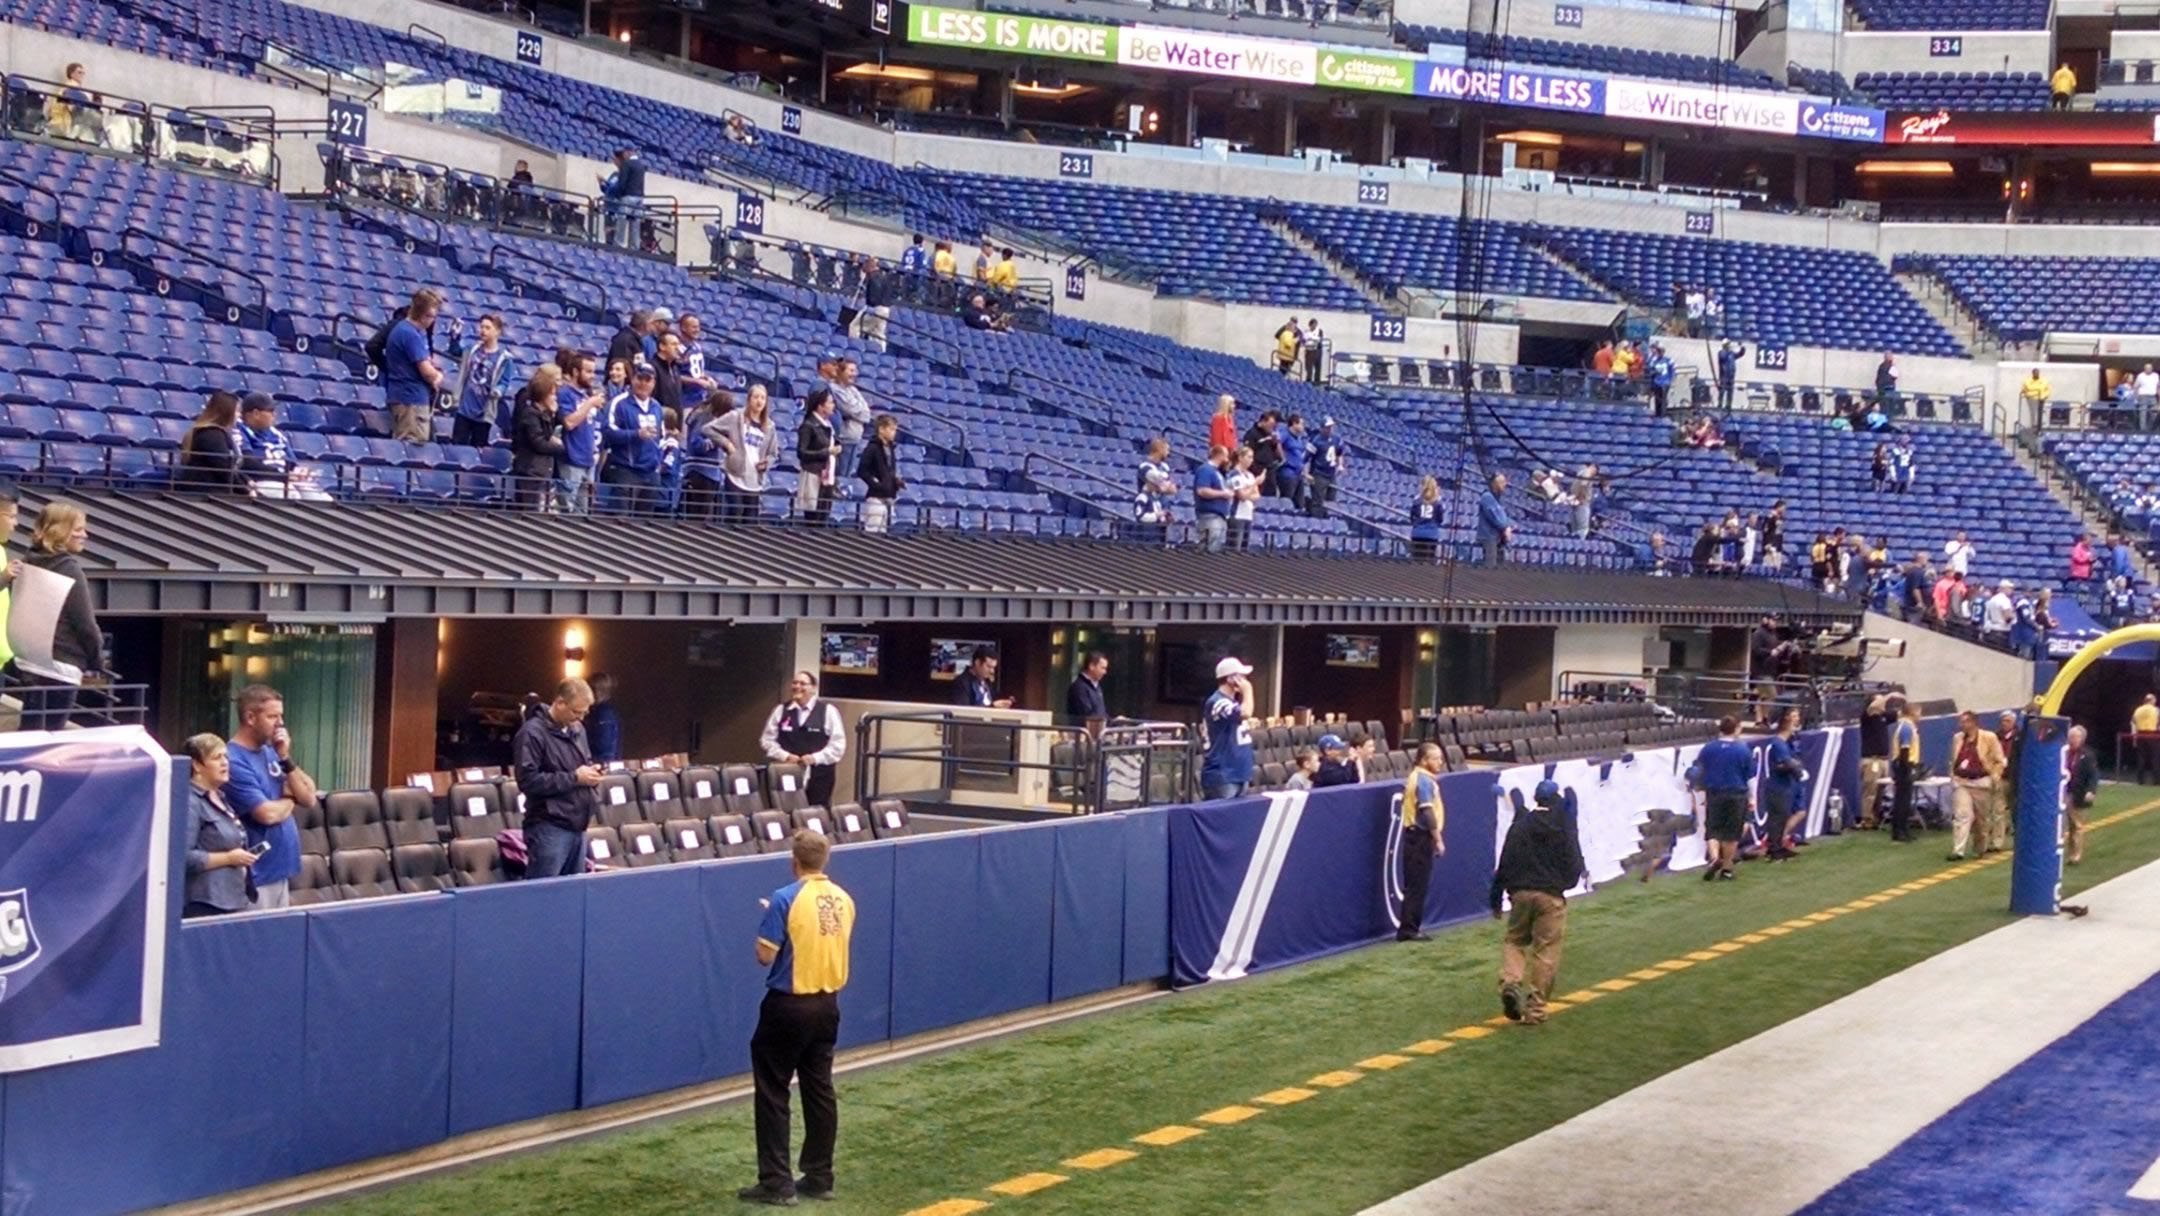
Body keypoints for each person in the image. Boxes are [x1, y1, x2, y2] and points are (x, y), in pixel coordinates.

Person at [742, 831, 854, 1207]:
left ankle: (777, 1181)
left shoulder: (784, 899)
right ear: (825, 860)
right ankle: (820, 1175)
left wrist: (771, 920)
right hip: (828, 1005)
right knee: (819, 1088)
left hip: (789, 1007)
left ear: (794, 861)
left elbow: (764, 955)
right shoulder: (843, 900)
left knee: (774, 1091)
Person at [1491, 778, 1586, 1025]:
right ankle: (1535, 1010)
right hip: (1551, 896)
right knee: (1545, 953)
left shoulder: (1520, 825)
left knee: (1514, 941)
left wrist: (1497, 897)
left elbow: (1504, 862)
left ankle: (1511, 982)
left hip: (1521, 894)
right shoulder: (1563, 826)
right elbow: (1574, 861)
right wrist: (1565, 884)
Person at [223, 684, 317, 909]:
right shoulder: (233, 759)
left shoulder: (272, 752)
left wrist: (285, 757)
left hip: (281, 869)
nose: (280, 724)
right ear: (250, 717)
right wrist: (289, 799)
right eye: (272, 716)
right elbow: (266, 814)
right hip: (257, 876)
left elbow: (309, 796)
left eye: (281, 716)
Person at [22, 500, 104, 723]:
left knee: (30, 733)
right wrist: (98, 661)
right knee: (50, 740)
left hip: (31, 662)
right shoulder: (70, 568)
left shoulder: (28, 560)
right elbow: (86, 624)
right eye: (78, 529)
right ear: (61, 531)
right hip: (61, 668)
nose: (85, 535)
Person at [515, 678, 602, 880]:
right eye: (575, 712)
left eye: (584, 713)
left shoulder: (578, 730)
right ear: (560, 702)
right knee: (543, 897)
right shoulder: (531, 733)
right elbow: (528, 781)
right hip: (548, 827)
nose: (579, 718)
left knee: (573, 898)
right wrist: (574, 778)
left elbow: (584, 764)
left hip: (578, 825)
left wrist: (592, 775)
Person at [182, 733, 256, 918]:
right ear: (197, 765)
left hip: (236, 898)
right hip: (207, 905)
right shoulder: (190, 802)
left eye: (226, 757)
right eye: (217, 758)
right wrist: (229, 858)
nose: (225, 763)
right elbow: (184, 858)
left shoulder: (221, 798)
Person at [760, 672, 847, 809]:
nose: (797, 686)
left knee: (816, 814)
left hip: (819, 775)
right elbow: (767, 740)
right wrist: (785, 756)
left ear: (813, 688)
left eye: (802, 683)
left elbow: (838, 745)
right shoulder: (781, 710)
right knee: (787, 812)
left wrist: (815, 758)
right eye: (795, 683)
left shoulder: (828, 711)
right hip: (787, 773)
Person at [1396, 742, 1447, 943]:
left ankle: (1410, 927)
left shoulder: (1420, 778)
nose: (1440, 762)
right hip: (1419, 837)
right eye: (1436, 758)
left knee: (1416, 884)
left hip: (1415, 836)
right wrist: (1438, 839)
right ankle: (1409, 929)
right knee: (1417, 885)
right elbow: (1427, 812)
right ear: (1424, 760)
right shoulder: (1423, 781)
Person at [384, 288, 446, 443]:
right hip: (410, 401)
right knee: (412, 446)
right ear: (423, 314)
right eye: (431, 316)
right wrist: (438, 376)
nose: (433, 320)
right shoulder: (409, 334)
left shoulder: (413, 332)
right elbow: (427, 371)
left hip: (407, 397)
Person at [445, 313, 515, 447]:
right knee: (457, 447)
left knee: (478, 449)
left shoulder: (504, 359)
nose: (483, 330)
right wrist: (455, 335)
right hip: (464, 410)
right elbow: (454, 351)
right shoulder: (472, 350)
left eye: (488, 328)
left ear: (497, 332)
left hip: (484, 413)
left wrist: (499, 391)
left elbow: (504, 382)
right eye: (482, 327)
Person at [1695, 716, 1751, 880]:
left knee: (1713, 830)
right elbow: (1750, 777)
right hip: (1736, 794)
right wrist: (1753, 798)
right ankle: (1727, 869)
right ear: (1737, 729)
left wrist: (1703, 790)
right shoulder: (1743, 750)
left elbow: (1699, 770)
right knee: (1732, 834)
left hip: (1715, 793)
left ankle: (1714, 858)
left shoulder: (1708, 748)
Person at [1946, 710, 2006, 862]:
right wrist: (1953, 776)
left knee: (1981, 820)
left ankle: (1980, 847)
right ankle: (1958, 850)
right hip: (1962, 782)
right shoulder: (1957, 738)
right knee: (1962, 815)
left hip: (1982, 782)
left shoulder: (1989, 737)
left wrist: (1995, 776)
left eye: (1965, 721)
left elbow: (1999, 760)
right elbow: (1953, 759)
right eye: (1961, 721)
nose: (1962, 725)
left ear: (1973, 722)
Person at [553, 349, 604, 513]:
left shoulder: (586, 395)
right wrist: (589, 403)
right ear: (576, 372)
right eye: (588, 371)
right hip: (570, 460)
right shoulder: (565, 394)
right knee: (566, 511)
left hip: (588, 460)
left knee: (582, 514)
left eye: (594, 372)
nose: (592, 376)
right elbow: (569, 422)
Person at [1200, 658, 1257, 800]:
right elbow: (1246, 713)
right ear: (1231, 678)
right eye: (1242, 676)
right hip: (1223, 775)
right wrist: (1248, 690)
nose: (1245, 680)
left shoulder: (1231, 702)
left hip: (1239, 773)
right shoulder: (1218, 702)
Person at [510, 365, 566, 510]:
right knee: (529, 513)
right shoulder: (530, 414)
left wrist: (552, 415)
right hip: (530, 472)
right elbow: (540, 443)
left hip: (542, 472)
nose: (555, 398)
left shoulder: (546, 415)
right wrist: (559, 447)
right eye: (552, 394)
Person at [1762, 707, 1807, 860]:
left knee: (1782, 817)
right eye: (1793, 716)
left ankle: (1779, 845)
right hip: (1777, 787)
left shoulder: (1787, 743)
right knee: (1777, 818)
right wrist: (1796, 769)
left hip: (1784, 786)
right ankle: (1774, 848)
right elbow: (1785, 763)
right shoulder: (1778, 743)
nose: (1796, 720)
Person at [177, 390, 242, 491]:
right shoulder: (211, 434)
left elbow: (230, 467)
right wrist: (246, 490)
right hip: (205, 494)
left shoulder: (215, 432)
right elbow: (224, 469)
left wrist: (248, 481)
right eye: (237, 411)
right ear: (226, 412)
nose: (239, 415)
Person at [828, 358, 873, 492]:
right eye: (851, 370)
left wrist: (860, 412)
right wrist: (859, 411)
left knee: (846, 478)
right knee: (839, 477)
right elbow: (849, 408)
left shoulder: (852, 390)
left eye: (855, 370)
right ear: (841, 371)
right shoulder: (834, 388)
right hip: (843, 439)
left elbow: (866, 413)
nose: (855, 373)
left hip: (854, 439)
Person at [794, 387, 836, 524]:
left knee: (823, 515)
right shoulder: (808, 426)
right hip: (813, 475)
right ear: (820, 406)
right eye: (830, 402)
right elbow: (802, 452)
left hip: (826, 476)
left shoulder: (829, 426)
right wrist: (826, 452)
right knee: (813, 517)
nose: (833, 405)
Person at [856, 414, 903, 534]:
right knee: (873, 529)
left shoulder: (891, 449)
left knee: (883, 531)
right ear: (881, 429)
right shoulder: (872, 448)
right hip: (876, 496)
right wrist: (876, 483)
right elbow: (862, 470)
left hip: (889, 495)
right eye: (891, 429)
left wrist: (894, 481)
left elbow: (888, 470)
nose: (894, 433)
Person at [1858, 693, 1893, 829]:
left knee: (1880, 791)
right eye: (1880, 701)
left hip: (1883, 760)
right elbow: (1873, 707)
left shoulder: (1883, 717)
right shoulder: (1867, 717)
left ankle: (1876, 817)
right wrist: (1888, 696)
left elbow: (1902, 714)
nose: (1883, 703)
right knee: (1870, 791)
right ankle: (1867, 819)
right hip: (1872, 760)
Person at [1132, 437, 1176, 546]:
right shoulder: (1145, 467)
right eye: (1166, 449)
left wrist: (1164, 486)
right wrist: (1163, 486)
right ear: (1159, 449)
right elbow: (1162, 485)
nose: (1168, 453)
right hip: (1149, 506)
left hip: (1161, 507)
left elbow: (1172, 488)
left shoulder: (1165, 466)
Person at [1888, 697, 1921, 843]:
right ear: (1912, 713)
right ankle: (1900, 831)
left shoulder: (1904, 726)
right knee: (1903, 800)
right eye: (1919, 713)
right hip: (1903, 765)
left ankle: (1901, 830)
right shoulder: (1907, 727)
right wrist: (1907, 768)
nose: (1920, 716)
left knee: (1902, 799)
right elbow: (1905, 749)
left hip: (1902, 764)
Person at [2066, 724, 2098, 864]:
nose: (2072, 739)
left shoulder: (2087, 755)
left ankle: (2076, 854)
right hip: (2063, 792)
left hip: (2078, 794)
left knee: (2077, 826)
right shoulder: (2064, 752)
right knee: (2065, 826)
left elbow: (2093, 775)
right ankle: (2066, 852)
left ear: (2082, 739)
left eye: (2075, 737)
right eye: (2070, 736)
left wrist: (2091, 791)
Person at [1193, 445, 1233, 554]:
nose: (1227, 460)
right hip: (1210, 515)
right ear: (1219, 455)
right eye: (1226, 456)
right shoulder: (1205, 470)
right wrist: (1223, 494)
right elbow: (1202, 491)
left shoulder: (1218, 472)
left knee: (1216, 548)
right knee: (1209, 550)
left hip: (1219, 516)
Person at [1306, 417, 1342, 519]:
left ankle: (1327, 520)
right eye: (1327, 427)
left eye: (1331, 427)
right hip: (1319, 473)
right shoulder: (1315, 441)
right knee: (1318, 500)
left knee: (1331, 499)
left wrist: (1340, 465)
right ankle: (1316, 521)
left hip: (1331, 473)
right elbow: (1306, 458)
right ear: (1322, 428)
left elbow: (1339, 453)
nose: (1330, 429)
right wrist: (1307, 474)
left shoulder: (1336, 439)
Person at [1226, 446, 1260, 553]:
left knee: (1244, 548)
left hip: (1248, 514)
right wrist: (1254, 485)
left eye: (1252, 457)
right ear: (1240, 458)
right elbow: (1241, 496)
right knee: (1235, 548)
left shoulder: (1250, 475)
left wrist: (1247, 491)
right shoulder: (1234, 474)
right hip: (1237, 515)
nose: (1251, 460)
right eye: (1249, 457)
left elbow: (1257, 495)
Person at [585, 672, 622, 764]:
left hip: (600, 763)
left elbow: (603, 746)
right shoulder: (604, 712)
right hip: (605, 762)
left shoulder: (603, 714)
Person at [1476, 473, 1512, 566]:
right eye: (1502, 482)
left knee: (1499, 569)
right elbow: (1494, 516)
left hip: (1498, 538)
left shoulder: (1499, 499)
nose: (1505, 484)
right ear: (1495, 484)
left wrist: (1507, 526)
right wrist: (1505, 527)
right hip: (1489, 537)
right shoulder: (1487, 497)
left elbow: (1505, 516)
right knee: (1490, 567)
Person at [1065, 652, 1108, 724]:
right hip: (1083, 733)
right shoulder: (1079, 688)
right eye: (1102, 668)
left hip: (1097, 731)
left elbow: (1101, 713)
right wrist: (1111, 721)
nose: (1105, 672)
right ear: (1091, 666)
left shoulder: (1097, 687)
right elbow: (1087, 715)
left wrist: (1115, 721)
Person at [1408, 475, 1444, 563]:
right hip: (1432, 534)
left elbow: (1411, 516)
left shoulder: (1416, 500)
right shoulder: (1438, 502)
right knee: (1429, 563)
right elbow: (1440, 519)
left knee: (1417, 561)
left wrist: (1417, 524)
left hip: (1417, 533)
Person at [1277, 415, 1309, 509]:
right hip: (1288, 473)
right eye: (1301, 424)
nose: (1303, 426)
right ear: (1294, 424)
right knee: (1287, 501)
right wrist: (1282, 458)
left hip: (1298, 474)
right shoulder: (1285, 433)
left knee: (1300, 504)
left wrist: (1305, 472)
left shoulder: (1299, 438)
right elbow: (1277, 442)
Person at [2134, 693, 2159, 785]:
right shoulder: (2155, 710)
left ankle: (2140, 780)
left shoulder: (2138, 709)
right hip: (2152, 734)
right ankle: (2156, 780)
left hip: (2140, 734)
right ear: (2151, 700)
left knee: (2141, 758)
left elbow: (2134, 721)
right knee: (2154, 757)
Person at [1646, 343, 1675, 416]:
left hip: (1665, 382)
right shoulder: (1654, 361)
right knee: (1657, 400)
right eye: (1659, 351)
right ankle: (1657, 414)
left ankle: (1663, 414)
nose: (1660, 352)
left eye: (1661, 351)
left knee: (1663, 399)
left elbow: (1672, 372)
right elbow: (1649, 369)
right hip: (1657, 382)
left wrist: (1670, 381)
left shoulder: (1668, 360)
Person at [1569, 464, 1596, 539]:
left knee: (1575, 527)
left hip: (1575, 500)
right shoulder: (1587, 473)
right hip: (1582, 502)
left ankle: (1575, 541)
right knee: (1583, 527)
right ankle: (1581, 542)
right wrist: (1581, 497)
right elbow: (1583, 485)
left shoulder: (1581, 472)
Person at [1714, 340, 1743, 412]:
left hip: (1731, 375)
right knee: (1722, 391)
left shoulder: (1732, 354)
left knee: (1730, 391)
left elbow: (1740, 354)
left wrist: (1742, 348)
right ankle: (1720, 404)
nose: (1730, 346)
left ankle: (1728, 405)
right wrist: (1729, 350)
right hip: (1724, 375)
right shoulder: (1721, 353)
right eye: (1728, 344)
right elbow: (1723, 357)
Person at [1302, 318, 1326, 385]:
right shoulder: (1306, 331)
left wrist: (1311, 338)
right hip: (1309, 351)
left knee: (1317, 367)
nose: (1314, 326)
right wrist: (1310, 338)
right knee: (1309, 367)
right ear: (1310, 325)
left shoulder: (1319, 331)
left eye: (1316, 325)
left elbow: (1318, 339)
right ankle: (1308, 380)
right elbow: (1304, 340)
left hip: (1317, 350)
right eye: (1313, 325)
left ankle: (1317, 381)